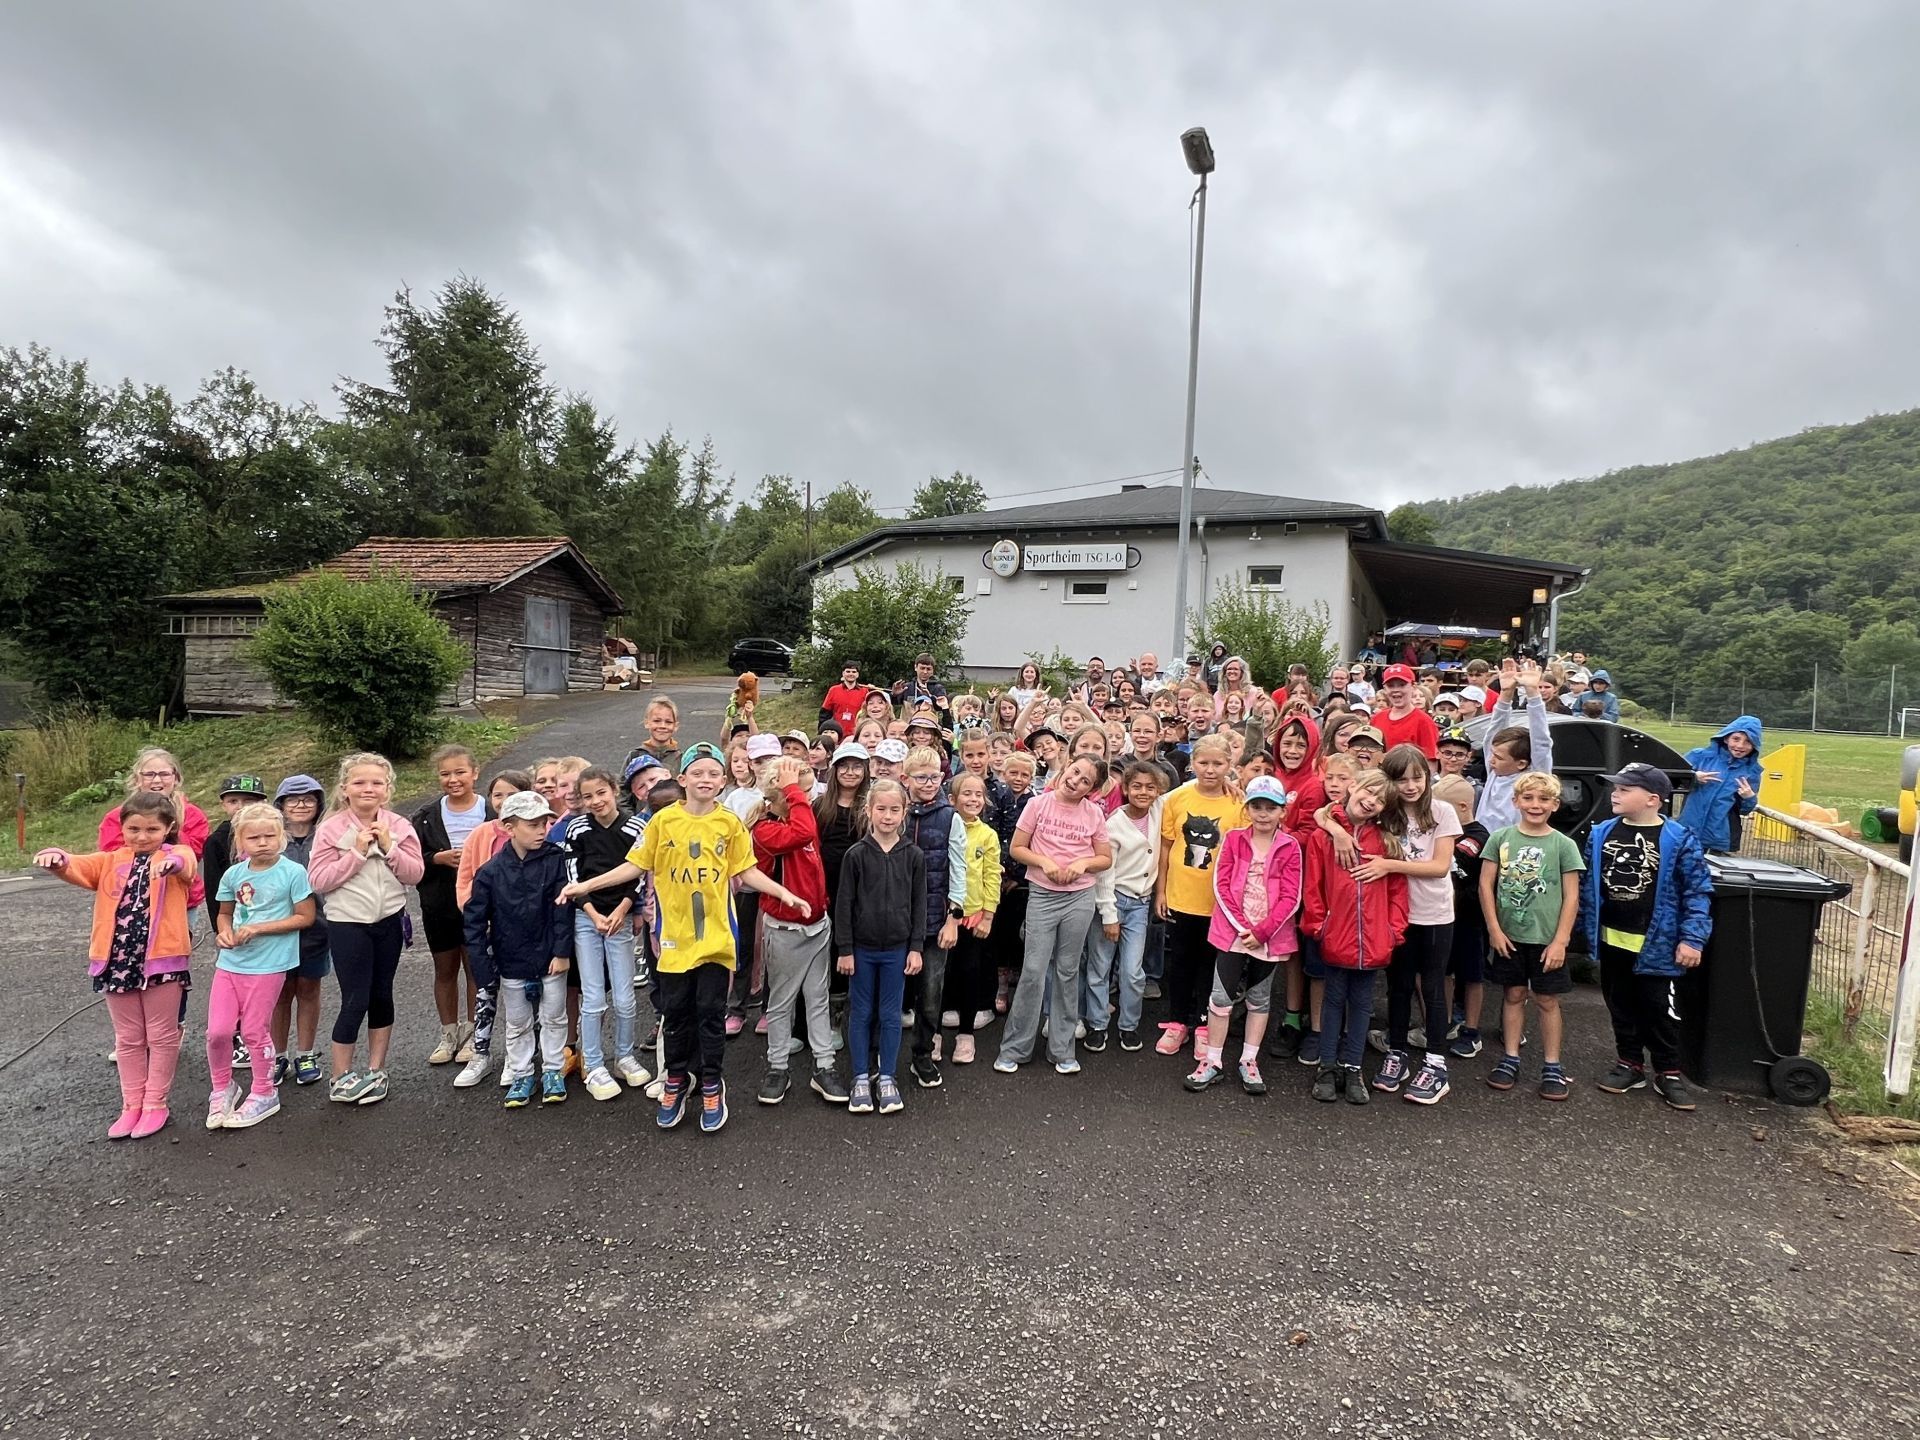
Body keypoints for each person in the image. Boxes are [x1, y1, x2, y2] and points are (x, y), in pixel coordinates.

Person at [561, 743, 808, 1134]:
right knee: (675, 1016)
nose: (705, 780)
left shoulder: (729, 823)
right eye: (698, 773)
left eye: (713, 774)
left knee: (710, 1016)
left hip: (715, 941)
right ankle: (676, 1079)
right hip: (673, 942)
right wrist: (585, 885)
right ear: (682, 779)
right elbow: (633, 865)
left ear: (723, 781)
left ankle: (712, 1082)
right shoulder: (662, 823)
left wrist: (783, 893)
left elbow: (746, 871)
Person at [35, 791, 197, 1139]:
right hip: (117, 962)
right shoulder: (111, 860)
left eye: (152, 829)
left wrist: (174, 864)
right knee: (127, 1037)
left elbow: (188, 864)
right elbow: (79, 865)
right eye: (133, 828)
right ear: (122, 828)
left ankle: (156, 1103)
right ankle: (131, 1105)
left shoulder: (175, 854)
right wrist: (58, 858)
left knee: (161, 1035)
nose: (141, 836)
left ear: (168, 828)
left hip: (161, 962)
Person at [1580, 762, 1712, 1111]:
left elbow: (1697, 892)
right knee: (1619, 1004)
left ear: (1653, 799)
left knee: (1658, 1010)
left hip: (1658, 946)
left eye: (1625, 789)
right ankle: (1629, 1063)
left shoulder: (1679, 839)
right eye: (1615, 788)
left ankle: (1668, 1070)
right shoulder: (1602, 833)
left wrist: (1692, 938)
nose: (1615, 794)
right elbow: (1587, 885)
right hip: (1612, 941)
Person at [305, 753, 425, 1107]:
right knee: (355, 997)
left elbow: (414, 874)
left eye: (376, 783)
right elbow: (318, 880)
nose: (368, 789)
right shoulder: (331, 829)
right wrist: (356, 853)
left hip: (388, 921)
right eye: (359, 782)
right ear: (345, 790)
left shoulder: (400, 826)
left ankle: (376, 1069)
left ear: (387, 790)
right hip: (347, 924)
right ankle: (341, 1076)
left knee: (381, 994)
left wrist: (389, 847)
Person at [994, 756, 1113, 1076]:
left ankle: (1061, 1049)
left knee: (1067, 971)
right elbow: (1017, 848)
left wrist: (1082, 864)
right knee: (1033, 969)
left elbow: (1105, 858)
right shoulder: (1038, 804)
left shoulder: (1094, 813)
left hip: (1079, 898)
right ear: (1066, 767)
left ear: (1093, 789)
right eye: (1075, 771)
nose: (1076, 780)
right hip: (1043, 896)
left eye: (1085, 780)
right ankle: (1015, 1047)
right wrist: (1043, 862)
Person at [1187, 776, 1301, 1096]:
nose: (1263, 814)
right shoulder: (1235, 838)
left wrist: (1262, 932)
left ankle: (1249, 1060)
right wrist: (1243, 928)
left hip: (1270, 935)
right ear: (1247, 808)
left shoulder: (1290, 846)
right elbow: (1221, 885)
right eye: (1257, 807)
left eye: (1271, 808)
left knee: (1259, 999)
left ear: (1282, 811)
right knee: (1221, 999)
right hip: (1233, 933)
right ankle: (1212, 1060)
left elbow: (1291, 897)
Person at [1360, 746, 1461, 1104]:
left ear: (1428, 774)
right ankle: (1397, 1052)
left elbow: (1439, 866)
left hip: (1434, 914)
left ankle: (1436, 1063)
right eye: (1401, 779)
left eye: (1417, 777)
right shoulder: (1384, 812)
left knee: (1431, 987)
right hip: (1397, 915)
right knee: (1398, 986)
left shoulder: (1442, 811)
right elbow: (1336, 812)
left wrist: (1390, 866)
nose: (1410, 786)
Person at [207, 803, 315, 1131]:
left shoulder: (293, 873)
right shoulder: (233, 875)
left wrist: (260, 929)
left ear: (281, 837)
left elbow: (305, 916)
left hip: (270, 963)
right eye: (254, 838)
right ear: (241, 841)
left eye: (270, 835)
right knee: (217, 1032)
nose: (263, 842)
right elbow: (225, 913)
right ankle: (223, 1087)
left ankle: (264, 1092)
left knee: (254, 1031)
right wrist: (224, 932)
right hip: (231, 962)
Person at [464, 791, 574, 1109]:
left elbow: (562, 910)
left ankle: (553, 1070)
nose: (541, 829)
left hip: (550, 955)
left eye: (544, 822)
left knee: (554, 1016)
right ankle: (522, 1073)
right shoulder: (490, 872)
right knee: (517, 1022)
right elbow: (474, 922)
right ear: (509, 828)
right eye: (532, 824)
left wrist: (562, 951)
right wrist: (482, 966)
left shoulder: (556, 860)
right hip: (510, 959)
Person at [1300, 769, 1404, 1104]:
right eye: (1368, 791)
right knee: (1332, 1001)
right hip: (1335, 935)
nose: (1371, 801)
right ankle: (1327, 1066)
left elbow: (1398, 892)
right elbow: (1313, 887)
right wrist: (1319, 926)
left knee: (1361, 1004)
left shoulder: (1387, 842)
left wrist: (1392, 932)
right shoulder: (1323, 837)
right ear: (1353, 786)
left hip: (1374, 939)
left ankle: (1353, 1066)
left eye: (1380, 800)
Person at [1479, 772, 1586, 1101]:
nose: (1535, 805)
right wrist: (1494, 929)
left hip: (1546, 940)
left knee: (1547, 1000)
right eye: (1528, 798)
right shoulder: (1500, 838)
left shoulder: (1563, 845)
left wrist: (1561, 940)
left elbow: (1571, 896)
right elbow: (1486, 885)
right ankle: (1510, 1056)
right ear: (1516, 802)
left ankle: (1552, 1064)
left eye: (1543, 799)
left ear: (1555, 804)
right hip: (1509, 936)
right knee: (1512, 995)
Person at [751, 756, 848, 1106]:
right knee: (781, 1003)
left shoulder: (800, 817)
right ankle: (778, 1067)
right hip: (786, 929)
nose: (804, 799)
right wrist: (793, 789)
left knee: (818, 998)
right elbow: (803, 832)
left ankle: (824, 1065)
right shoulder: (765, 829)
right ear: (781, 795)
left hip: (817, 925)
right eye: (797, 794)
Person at [835, 778, 926, 1115]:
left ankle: (887, 1077)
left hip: (897, 950)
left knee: (890, 1014)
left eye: (895, 810)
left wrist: (915, 947)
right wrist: (845, 949)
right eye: (881, 809)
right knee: (861, 1013)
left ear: (904, 813)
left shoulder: (913, 855)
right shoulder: (856, 855)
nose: (888, 816)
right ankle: (861, 1077)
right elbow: (843, 905)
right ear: (869, 811)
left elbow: (920, 904)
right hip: (861, 950)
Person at [559, 766, 650, 1100]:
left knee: (626, 996)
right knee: (594, 996)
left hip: (620, 918)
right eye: (587, 796)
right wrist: (593, 913)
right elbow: (573, 878)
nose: (596, 801)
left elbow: (639, 874)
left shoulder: (635, 825)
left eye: (601, 793)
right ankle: (594, 1063)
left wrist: (623, 910)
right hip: (588, 918)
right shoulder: (576, 828)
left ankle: (624, 1056)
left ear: (614, 790)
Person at [1153, 735, 1246, 1060]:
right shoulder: (1175, 799)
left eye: (1218, 764)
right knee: (1180, 963)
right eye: (1203, 763)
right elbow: (1165, 847)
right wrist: (1161, 890)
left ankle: (1205, 1026)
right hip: (1180, 896)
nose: (1210, 770)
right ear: (1192, 764)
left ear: (1229, 765)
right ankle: (1177, 1022)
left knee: (1211, 965)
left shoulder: (1238, 803)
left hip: (1220, 902)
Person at [413, 744, 487, 1068]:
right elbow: (411, 860)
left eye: (460, 772)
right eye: (445, 774)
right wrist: (437, 859)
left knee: (474, 968)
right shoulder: (426, 816)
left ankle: (473, 1034)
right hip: (438, 905)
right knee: (444, 970)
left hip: (477, 904)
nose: (453, 779)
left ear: (475, 773)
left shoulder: (491, 811)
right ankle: (448, 1033)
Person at [1087, 761, 1165, 1054]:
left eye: (1149, 787)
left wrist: (1229, 784)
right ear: (1126, 789)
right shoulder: (1114, 825)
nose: (1143, 792)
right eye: (1136, 786)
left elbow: (1187, 790)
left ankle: (1128, 1025)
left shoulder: (1158, 810)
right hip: (1114, 901)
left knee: (1133, 972)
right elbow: (1105, 874)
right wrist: (1109, 915)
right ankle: (1096, 1024)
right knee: (1100, 966)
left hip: (1140, 904)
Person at [903, 745, 967, 1090]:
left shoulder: (950, 817)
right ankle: (877, 1057)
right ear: (906, 779)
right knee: (890, 992)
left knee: (930, 993)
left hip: (934, 919)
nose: (929, 783)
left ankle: (922, 1054)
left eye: (934, 777)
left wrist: (953, 918)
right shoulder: (895, 813)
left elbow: (959, 869)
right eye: (921, 777)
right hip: (896, 921)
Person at [200, 773, 268, 1073]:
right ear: (223, 804)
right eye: (233, 800)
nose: (240, 806)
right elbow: (214, 891)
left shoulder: (269, 835)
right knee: (236, 985)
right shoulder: (217, 840)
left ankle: (260, 1038)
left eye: (249, 800)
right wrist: (221, 929)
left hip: (269, 924)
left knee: (264, 987)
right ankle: (238, 1039)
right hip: (234, 923)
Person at [271, 775, 332, 1087]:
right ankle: (277, 1056)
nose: (300, 805)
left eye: (309, 799)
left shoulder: (326, 835)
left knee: (308, 989)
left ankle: (305, 1053)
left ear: (319, 804)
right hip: (276, 929)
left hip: (317, 929)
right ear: (280, 805)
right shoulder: (269, 837)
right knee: (279, 994)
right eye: (292, 799)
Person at [945, 771, 1003, 1066]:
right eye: (966, 794)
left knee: (970, 972)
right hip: (945, 918)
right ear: (952, 799)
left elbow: (992, 876)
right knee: (944, 975)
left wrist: (988, 915)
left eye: (978, 794)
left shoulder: (987, 835)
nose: (973, 799)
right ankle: (934, 1034)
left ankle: (966, 1035)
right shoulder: (943, 827)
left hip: (974, 916)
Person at [1478, 661, 1555, 838]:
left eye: (1499, 757)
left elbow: (1541, 741)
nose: (1491, 760)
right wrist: (1506, 694)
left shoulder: (1533, 778)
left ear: (1521, 763)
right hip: (1485, 846)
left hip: (1516, 847)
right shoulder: (1494, 773)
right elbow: (1493, 732)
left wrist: (1533, 693)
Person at [1676, 717, 1762, 854]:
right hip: (1688, 829)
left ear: (1754, 745)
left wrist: (1749, 797)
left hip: (1719, 839)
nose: (1740, 746)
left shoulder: (1752, 771)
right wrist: (1693, 777)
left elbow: (1745, 810)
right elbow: (1671, 780)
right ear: (1726, 738)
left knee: (1713, 874)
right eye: (1736, 739)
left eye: (1748, 742)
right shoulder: (1699, 756)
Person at [820, 661, 870, 735]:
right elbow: (824, 714)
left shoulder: (865, 691)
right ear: (843, 673)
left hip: (857, 734)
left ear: (857, 674)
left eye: (854, 672)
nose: (851, 674)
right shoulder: (834, 690)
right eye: (848, 671)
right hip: (837, 734)